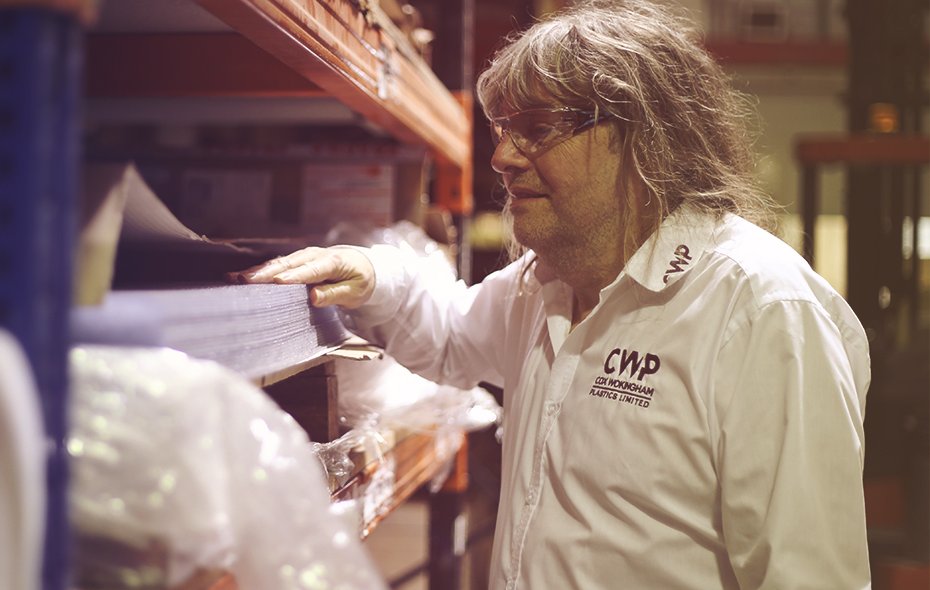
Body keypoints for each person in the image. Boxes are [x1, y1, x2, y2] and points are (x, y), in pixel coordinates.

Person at [227, 0, 872, 588]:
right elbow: (452, 335)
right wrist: (373, 272)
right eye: (503, 128)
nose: (502, 156)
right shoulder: (548, 284)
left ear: (644, 137)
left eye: (537, 127)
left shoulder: (762, 311)